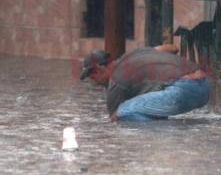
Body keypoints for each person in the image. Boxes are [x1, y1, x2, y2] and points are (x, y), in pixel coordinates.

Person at [80, 44, 210, 122]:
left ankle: (167, 134)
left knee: (123, 113)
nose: (93, 81)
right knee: (138, 106)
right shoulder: (135, 53)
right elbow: (173, 48)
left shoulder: (117, 80)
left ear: (99, 69)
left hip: (182, 90)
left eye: (92, 77)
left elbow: (114, 118)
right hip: (205, 86)